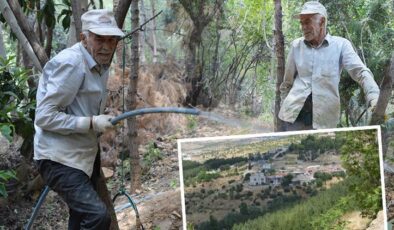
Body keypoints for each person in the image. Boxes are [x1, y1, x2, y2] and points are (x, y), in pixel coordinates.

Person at [34, 9, 124, 229]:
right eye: (99, 38)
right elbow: (44, 116)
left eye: (111, 39)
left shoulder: (100, 62)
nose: (106, 45)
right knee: (97, 216)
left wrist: (102, 118)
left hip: (82, 156)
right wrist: (92, 122)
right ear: (84, 38)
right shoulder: (72, 63)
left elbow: (82, 103)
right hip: (59, 159)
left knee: (80, 218)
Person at [278, 1, 380, 130]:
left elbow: (360, 71)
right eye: (301, 23)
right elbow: (287, 84)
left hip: (324, 120)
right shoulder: (296, 46)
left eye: (307, 22)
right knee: (293, 150)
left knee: (321, 150)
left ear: (321, 21)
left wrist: (374, 96)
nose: (303, 27)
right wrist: (284, 107)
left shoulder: (341, 45)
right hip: (293, 117)